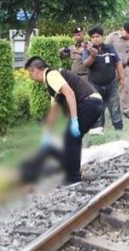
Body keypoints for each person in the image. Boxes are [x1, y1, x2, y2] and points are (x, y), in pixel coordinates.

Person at [25, 56, 104, 186]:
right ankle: (71, 174)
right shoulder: (52, 82)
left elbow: (70, 94)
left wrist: (74, 120)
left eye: (30, 73)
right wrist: (48, 134)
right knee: (71, 138)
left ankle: (72, 178)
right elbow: (54, 109)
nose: (30, 77)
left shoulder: (51, 75)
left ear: (36, 70)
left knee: (70, 137)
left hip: (89, 103)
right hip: (93, 103)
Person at [83, 26, 126, 135]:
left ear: (102, 37)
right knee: (98, 110)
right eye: (93, 37)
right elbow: (85, 65)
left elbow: (118, 63)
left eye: (97, 36)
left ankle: (119, 132)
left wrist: (122, 78)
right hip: (95, 86)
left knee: (115, 107)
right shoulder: (88, 50)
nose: (95, 39)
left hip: (111, 84)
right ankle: (98, 133)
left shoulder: (110, 48)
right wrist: (93, 56)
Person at [105, 22, 129, 120]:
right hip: (113, 68)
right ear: (122, 29)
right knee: (112, 90)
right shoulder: (113, 37)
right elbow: (104, 49)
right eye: (127, 33)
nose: (128, 35)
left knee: (126, 88)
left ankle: (126, 109)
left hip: (125, 67)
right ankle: (111, 110)